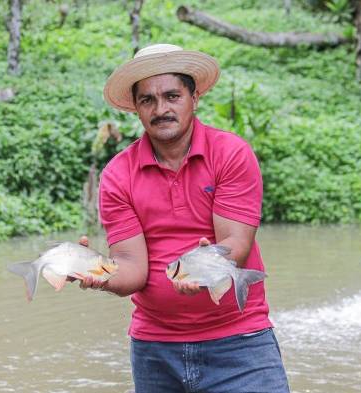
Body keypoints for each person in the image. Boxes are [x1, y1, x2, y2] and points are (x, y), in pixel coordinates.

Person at [79, 44, 290, 393]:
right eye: (147, 100)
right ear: (136, 108)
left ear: (194, 97)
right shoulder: (118, 174)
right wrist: (97, 273)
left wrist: (207, 265)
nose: (160, 109)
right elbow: (132, 268)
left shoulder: (230, 153)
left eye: (172, 95)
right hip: (155, 351)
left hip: (240, 343)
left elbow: (236, 243)